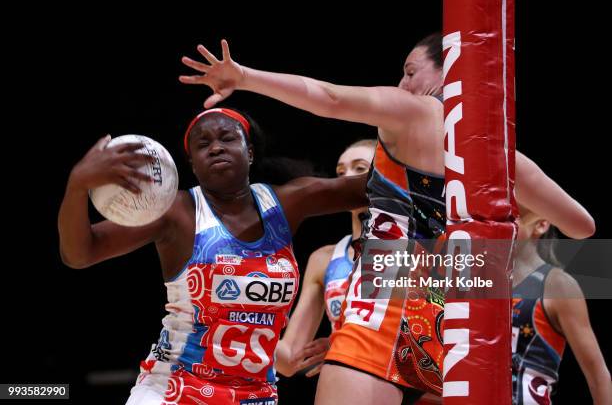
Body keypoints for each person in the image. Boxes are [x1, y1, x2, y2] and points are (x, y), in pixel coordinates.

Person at [179, 34, 595, 404]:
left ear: (448, 71)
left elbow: (329, 98)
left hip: (382, 314)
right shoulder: (506, 159)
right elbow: (582, 227)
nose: (403, 84)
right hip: (456, 333)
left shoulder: (415, 110)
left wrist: (245, 77)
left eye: (410, 71)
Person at [58, 107, 369, 405]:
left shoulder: (288, 203)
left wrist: (407, 120)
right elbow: (81, 254)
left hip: (254, 395)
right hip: (175, 389)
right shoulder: (177, 213)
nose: (216, 148)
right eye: (203, 144)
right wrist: (76, 185)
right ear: (192, 164)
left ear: (249, 151)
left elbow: (377, 188)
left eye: (227, 138)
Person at [274, 139, 376, 378]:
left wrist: (343, 346)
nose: (345, 178)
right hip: (347, 390)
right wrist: (233, 322)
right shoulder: (323, 259)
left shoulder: (417, 246)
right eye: (340, 172)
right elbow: (291, 359)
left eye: (359, 168)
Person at [512, 207, 611, 404]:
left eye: (515, 218)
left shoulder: (559, 286)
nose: (506, 225)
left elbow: (598, 376)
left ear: (541, 224)